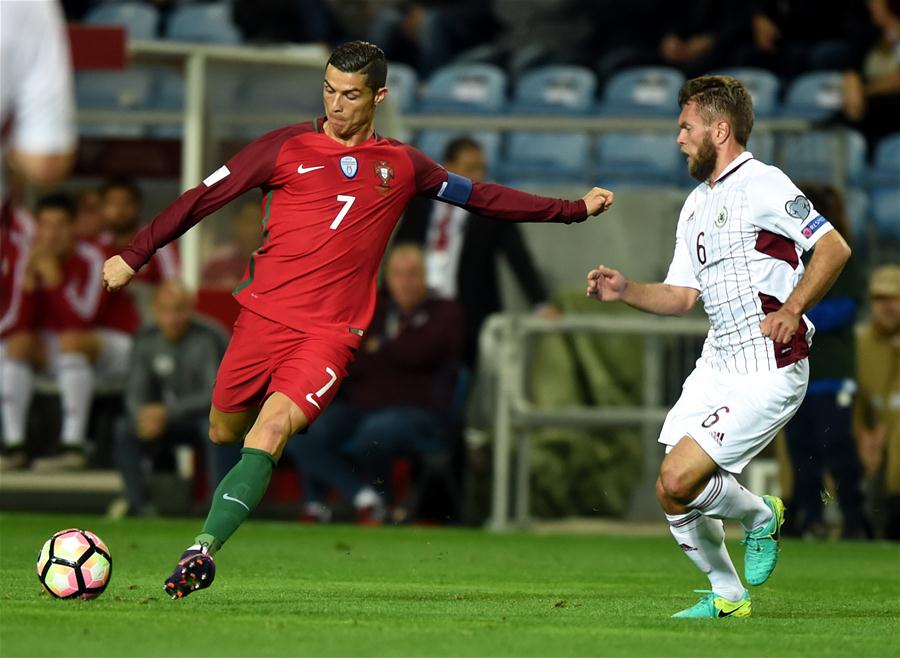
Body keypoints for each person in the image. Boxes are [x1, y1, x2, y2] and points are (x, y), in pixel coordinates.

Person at [101, 41, 614, 600]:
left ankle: (201, 551)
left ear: (379, 96)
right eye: (328, 90)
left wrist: (570, 210)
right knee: (224, 430)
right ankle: (222, 508)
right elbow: (202, 197)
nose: (336, 104)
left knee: (270, 431)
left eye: (349, 95)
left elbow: (481, 196)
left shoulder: (404, 165)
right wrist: (135, 253)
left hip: (330, 335)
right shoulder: (284, 146)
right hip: (262, 320)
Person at [587, 75, 851, 618]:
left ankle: (758, 517)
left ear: (720, 129)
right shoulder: (695, 205)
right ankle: (729, 596)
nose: (679, 138)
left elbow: (833, 246)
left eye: (686, 127)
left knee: (683, 476)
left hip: (770, 365)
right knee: (670, 489)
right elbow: (683, 296)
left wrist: (792, 309)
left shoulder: (763, 183)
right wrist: (626, 290)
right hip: (719, 361)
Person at [282, 243, 464, 523]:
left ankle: (381, 502)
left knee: (376, 431)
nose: (405, 282)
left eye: (413, 274)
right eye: (398, 274)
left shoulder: (446, 312)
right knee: (303, 426)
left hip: (420, 412)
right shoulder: (372, 309)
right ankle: (357, 499)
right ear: (387, 278)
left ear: (426, 277)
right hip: (362, 407)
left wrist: (382, 348)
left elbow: (421, 352)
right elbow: (351, 360)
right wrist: (391, 348)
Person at [395, 136, 557, 368]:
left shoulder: (493, 208)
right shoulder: (420, 204)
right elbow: (399, 252)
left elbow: (519, 258)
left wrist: (541, 302)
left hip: (466, 315)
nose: (479, 176)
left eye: (481, 168)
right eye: (470, 168)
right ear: (447, 167)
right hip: (417, 308)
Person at [1, 194, 132, 471]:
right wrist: (28, 286)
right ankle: (14, 446)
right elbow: (20, 324)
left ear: (74, 227)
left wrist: (53, 280)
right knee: (18, 344)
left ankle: (73, 446)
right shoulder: (28, 258)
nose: (52, 234)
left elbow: (84, 320)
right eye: (45, 226)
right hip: (64, 349)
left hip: (113, 347)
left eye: (60, 225)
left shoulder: (94, 256)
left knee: (72, 341)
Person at [1, 0, 77, 471]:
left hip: (50, 342)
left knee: (67, 353)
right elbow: (44, 160)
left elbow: (78, 319)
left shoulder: (82, 252)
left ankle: (56, 446)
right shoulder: (27, 6)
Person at [783, 183, 867, 539]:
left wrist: (795, 312)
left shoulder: (840, 255)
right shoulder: (791, 257)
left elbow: (845, 308)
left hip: (831, 370)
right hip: (794, 371)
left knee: (836, 445)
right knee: (801, 448)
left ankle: (855, 519)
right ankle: (811, 518)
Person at [114, 281, 240, 517]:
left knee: (214, 430)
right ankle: (138, 506)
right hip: (166, 421)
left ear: (191, 308)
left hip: (205, 418)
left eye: (179, 309)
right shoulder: (145, 340)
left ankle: (220, 509)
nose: (173, 318)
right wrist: (145, 415)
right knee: (125, 428)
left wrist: (166, 413)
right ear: (154, 310)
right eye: (165, 310)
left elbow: (215, 395)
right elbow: (134, 393)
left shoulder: (208, 337)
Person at [855, 264, 900, 540]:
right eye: (879, 299)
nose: (887, 306)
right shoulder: (861, 343)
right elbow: (857, 399)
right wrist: (863, 433)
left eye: (893, 298)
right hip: (873, 435)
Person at [200, 201, 262, 290]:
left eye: (260, 221)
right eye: (249, 221)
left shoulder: (278, 261)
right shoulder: (218, 262)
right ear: (236, 223)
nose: (255, 228)